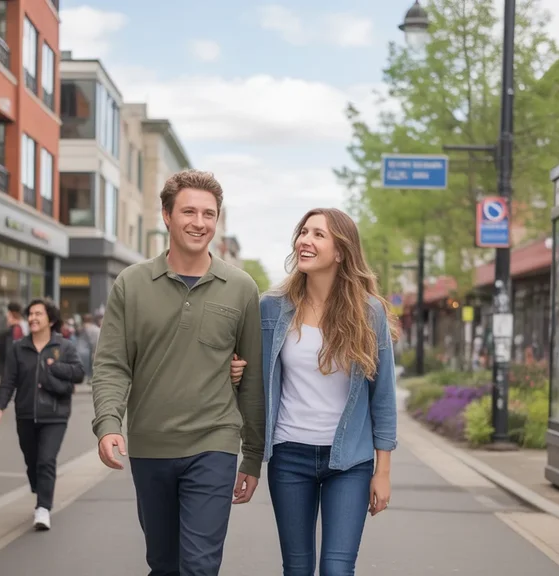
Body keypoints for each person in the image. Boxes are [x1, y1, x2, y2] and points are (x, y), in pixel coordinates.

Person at [91, 169, 264, 575]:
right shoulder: (131, 284)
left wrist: (253, 456)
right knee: (164, 564)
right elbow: (112, 363)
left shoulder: (240, 287)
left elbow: (252, 378)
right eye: (189, 211)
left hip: (214, 441)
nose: (199, 223)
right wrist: (108, 423)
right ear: (166, 216)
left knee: (200, 566)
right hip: (150, 444)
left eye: (209, 214)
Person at [230, 207, 399, 575]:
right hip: (289, 456)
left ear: (341, 251)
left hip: (349, 463)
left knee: (337, 569)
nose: (305, 240)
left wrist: (382, 471)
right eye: (303, 232)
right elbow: (257, 379)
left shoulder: (368, 314)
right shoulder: (271, 307)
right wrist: (236, 370)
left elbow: (383, 397)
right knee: (297, 568)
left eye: (318, 234)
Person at [0, 298, 84, 531]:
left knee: (46, 460)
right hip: (25, 413)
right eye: (30, 314)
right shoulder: (18, 348)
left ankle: (43, 508)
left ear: (50, 319)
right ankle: (39, 485)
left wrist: (55, 366)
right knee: (32, 460)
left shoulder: (63, 347)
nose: (33, 318)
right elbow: (9, 380)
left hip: (55, 414)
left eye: (38, 314)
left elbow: (78, 373)